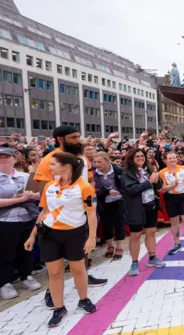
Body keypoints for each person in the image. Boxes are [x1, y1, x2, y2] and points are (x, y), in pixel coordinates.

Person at [31, 125, 107, 309]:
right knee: (54, 266)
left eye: (79, 136)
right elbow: (43, 191)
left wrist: (90, 201)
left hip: (81, 213)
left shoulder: (82, 157)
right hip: (57, 218)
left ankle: (83, 277)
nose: (78, 140)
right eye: (73, 137)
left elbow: (90, 180)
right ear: (60, 139)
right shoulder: (50, 160)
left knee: (80, 256)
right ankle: (52, 292)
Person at [24, 152, 98, 327]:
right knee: (54, 273)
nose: (49, 167)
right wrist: (32, 235)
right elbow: (43, 212)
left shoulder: (84, 187)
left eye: (53, 164)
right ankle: (59, 308)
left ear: (66, 166)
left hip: (75, 233)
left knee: (77, 269)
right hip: (49, 234)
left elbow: (91, 214)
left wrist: (92, 238)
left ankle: (84, 299)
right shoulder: (50, 186)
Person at [0, 148, 42, 300]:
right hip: (5, 221)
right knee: (6, 252)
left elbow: (39, 194)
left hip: (27, 218)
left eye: (7, 157)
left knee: (26, 250)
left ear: (14, 159)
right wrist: (19, 200)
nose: (4, 159)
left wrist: (30, 195)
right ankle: (5, 282)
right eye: (1, 157)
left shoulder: (25, 176)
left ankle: (27, 276)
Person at [120, 148, 166, 276]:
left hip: (150, 205)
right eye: (137, 156)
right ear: (131, 159)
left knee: (151, 233)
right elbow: (132, 190)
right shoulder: (126, 173)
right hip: (136, 208)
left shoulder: (149, 169)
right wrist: (149, 182)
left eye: (142, 156)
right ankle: (134, 262)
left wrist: (157, 180)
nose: (140, 158)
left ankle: (152, 258)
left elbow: (158, 186)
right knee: (135, 235)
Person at [160, 152, 184, 256]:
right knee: (174, 222)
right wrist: (173, 186)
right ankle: (177, 244)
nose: (172, 160)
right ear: (165, 160)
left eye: (174, 158)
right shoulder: (163, 172)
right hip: (171, 198)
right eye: (170, 158)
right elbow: (163, 188)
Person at [93, 152, 126, 260]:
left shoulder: (118, 170)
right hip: (104, 202)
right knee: (106, 225)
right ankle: (110, 246)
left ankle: (120, 247)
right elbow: (94, 189)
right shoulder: (94, 173)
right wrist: (107, 191)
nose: (97, 164)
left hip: (118, 200)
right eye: (95, 162)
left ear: (107, 161)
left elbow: (125, 183)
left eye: (100, 162)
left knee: (119, 224)